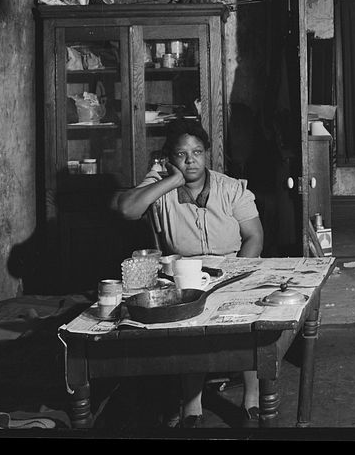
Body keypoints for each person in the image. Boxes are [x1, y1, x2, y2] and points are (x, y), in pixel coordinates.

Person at [113, 119, 264, 428]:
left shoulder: (230, 188)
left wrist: (236, 273)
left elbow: (254, 237)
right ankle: (192, 406)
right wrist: (172, 181)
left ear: (207, 154)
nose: (191, 160)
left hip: (233, 269)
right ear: (170, 158)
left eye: (197, 152)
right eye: (182, 154)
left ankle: (252, 399)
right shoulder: (161, 186)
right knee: (187, 320)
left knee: (246, 319)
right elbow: (127, 209)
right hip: (183, 275)